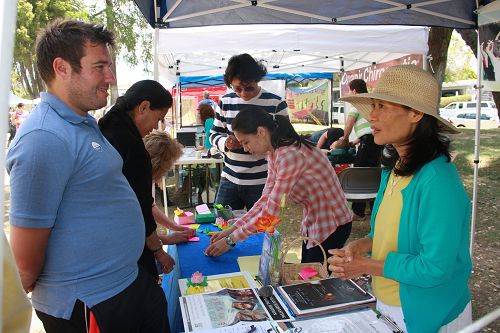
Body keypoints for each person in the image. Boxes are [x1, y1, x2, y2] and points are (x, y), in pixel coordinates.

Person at [7, 20, 169, 332]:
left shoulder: (81, 123)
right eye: (99, 67)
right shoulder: (43, 138)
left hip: (125, 284)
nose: (110, 77)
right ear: (61, 68)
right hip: (90, 303)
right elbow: (25, 263)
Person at [328, 65, 472, 333]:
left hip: (428, 314)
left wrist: (367, 266)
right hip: (390, 305)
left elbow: (435, 267)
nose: (372, 115)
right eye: (373, 106)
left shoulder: (438, 180)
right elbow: (390, 233)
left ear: (416, 113)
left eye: (382, 106)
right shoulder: (393, 169)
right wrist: (363, 244)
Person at [206, 107, 353, 263]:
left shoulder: (289, 155)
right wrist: (232, 230)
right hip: (315, 221)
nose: (245, 148)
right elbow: (265, 200)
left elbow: (270, 215)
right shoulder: (275, 153)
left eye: (246, 142)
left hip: (332, 222)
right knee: (308, 274)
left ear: (261, 132)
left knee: (314, 279)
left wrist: (231, 240)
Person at [99, 80, 195, 281]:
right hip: (120, 255)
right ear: (143, 107)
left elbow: (145, 207)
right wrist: (159, 250)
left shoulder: (107, 126)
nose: (154, 128)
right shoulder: (133, 148)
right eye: (158, 119)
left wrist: (171, 232)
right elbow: (139, 210)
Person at [209, 53, 288, 211]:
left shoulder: (276, 103)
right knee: (221, 224)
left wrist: (263, 143)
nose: (244, 94)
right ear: (230, 83)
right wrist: (225, 143)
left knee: (262, 228)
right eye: (237, 89)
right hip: (229, 178)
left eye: (249, 88)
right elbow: (213, 134)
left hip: (262, 181)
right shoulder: (225, 102)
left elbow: (286, 140)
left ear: (257, 79)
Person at [144, 129, 197, 239]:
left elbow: (150, 206)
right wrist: (164, 240)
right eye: (168, 166)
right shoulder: (136, 182)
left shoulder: (148, 177)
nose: (168, 170)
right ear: (159, 163)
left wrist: (175, 226)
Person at [342, 79, 383, 220]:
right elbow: (367, 131)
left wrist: (344, 139)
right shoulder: (370, 103)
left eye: (349, 90)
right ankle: (373, 210)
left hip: (369, 143)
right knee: (373, 174)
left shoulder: (358, 103)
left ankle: (358, 212)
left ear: (354, 91)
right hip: (376, 141)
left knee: (359, 174)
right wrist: (355, 142)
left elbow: (349, 124)